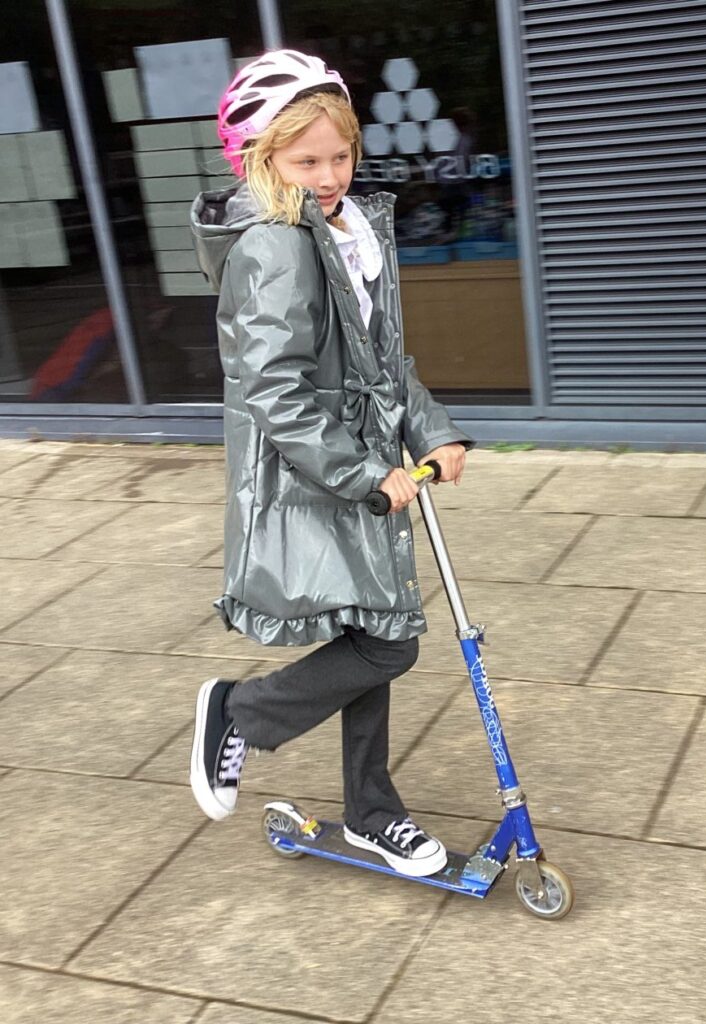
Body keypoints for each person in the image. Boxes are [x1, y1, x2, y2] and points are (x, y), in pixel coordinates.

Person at [188, 50, 472, 878]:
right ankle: (238, 713)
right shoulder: (275, 247)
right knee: (388, 645)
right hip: (315, 473)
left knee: (371, 634)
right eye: (304, 160)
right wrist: (363, 473)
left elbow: (384, 361)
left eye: (340, 156)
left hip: (361, 464)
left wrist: (434, 433)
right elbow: (274, 391)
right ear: (258, 157)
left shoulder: (348, 228)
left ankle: (371, 815)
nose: (327, 175)